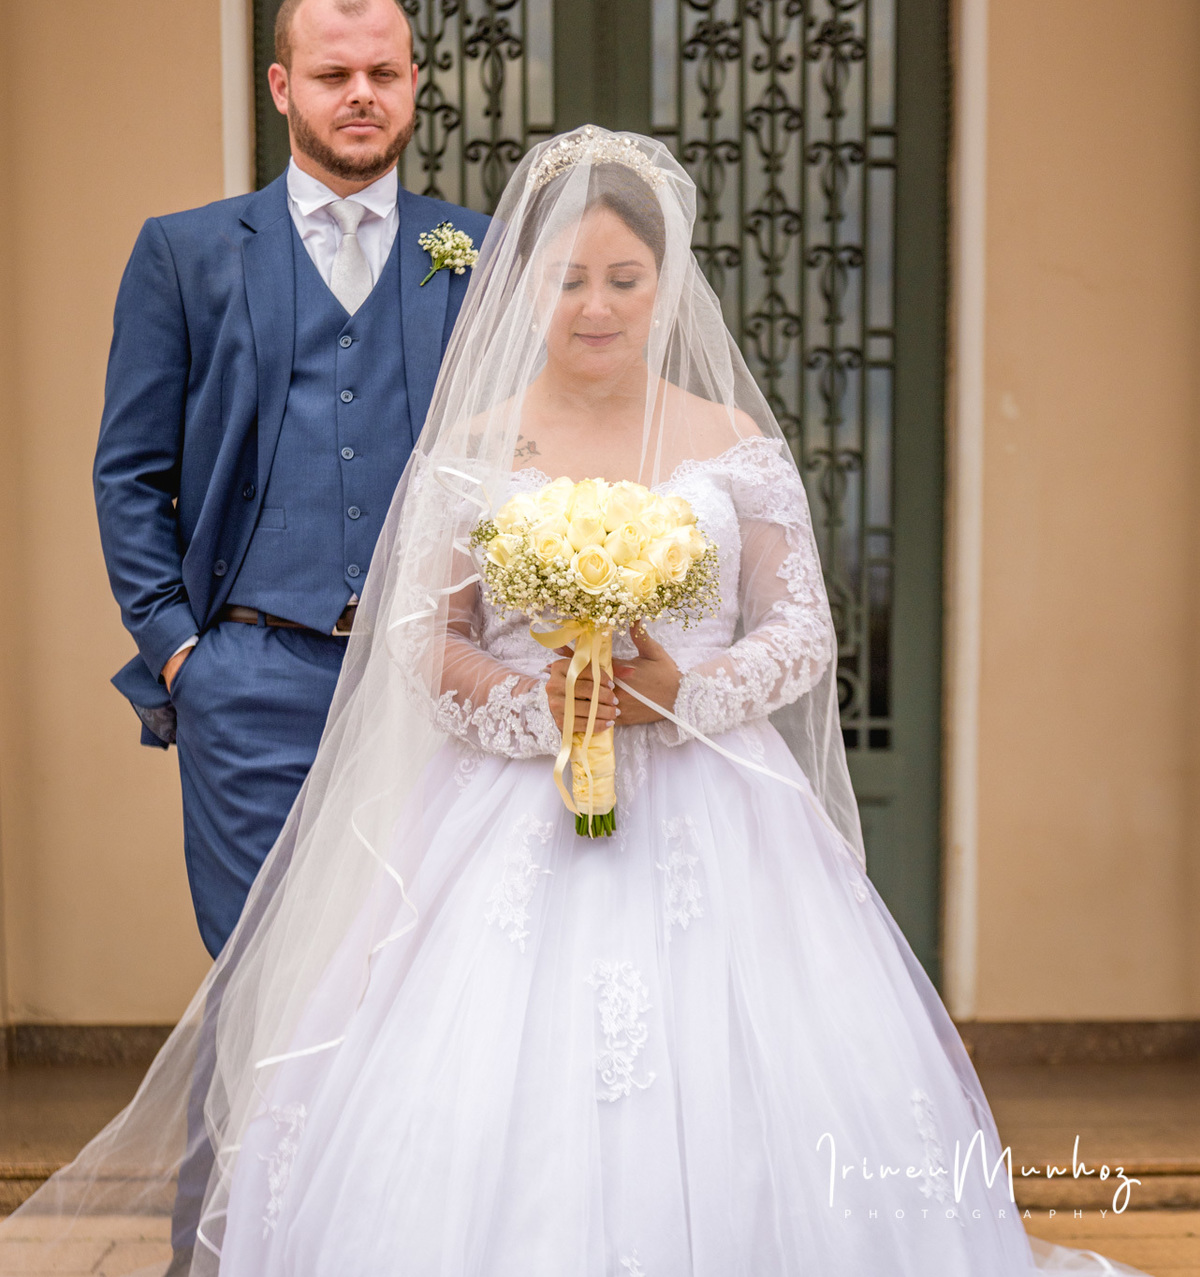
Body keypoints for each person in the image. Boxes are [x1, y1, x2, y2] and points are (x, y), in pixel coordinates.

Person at [6, 129, 1147, 1277]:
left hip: (721, 816)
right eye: (566, 279)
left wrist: (680, 694)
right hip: (512, 811)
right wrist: (542, 704)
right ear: (522, 285)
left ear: (667, 283)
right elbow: (423, 635)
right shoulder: (474, 446)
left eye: (624, 278)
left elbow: (801, 632)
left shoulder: (731, 441)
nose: (594, 307)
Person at [93, 0, 487, 956]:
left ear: (413, 83)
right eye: (332, 73)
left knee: (421, 979)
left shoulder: (480, 256)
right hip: (250, 674)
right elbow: (132, 473)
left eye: (382, 72)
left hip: (432, 680)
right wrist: (182, 656)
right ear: (282, 88)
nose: (361, 93)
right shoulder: (185, 255)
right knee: (260, 971)